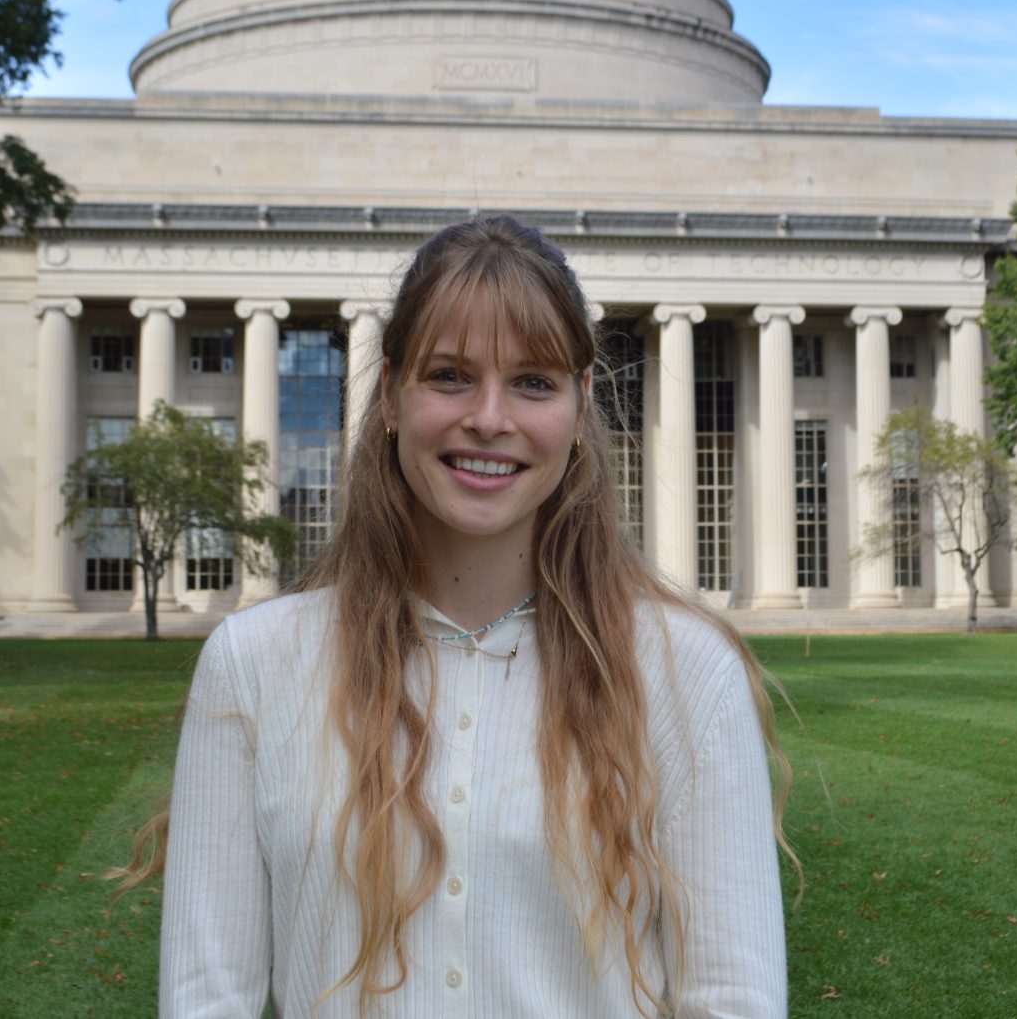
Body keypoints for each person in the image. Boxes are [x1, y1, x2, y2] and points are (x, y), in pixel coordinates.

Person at [141, 215, 793, 1017]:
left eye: (533, 381)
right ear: (390, 394)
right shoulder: (255, 660)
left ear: (580, 405)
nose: (490, 416)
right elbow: (207, 998)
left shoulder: (688, 672)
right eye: (450, 374)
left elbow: (732, 1000)